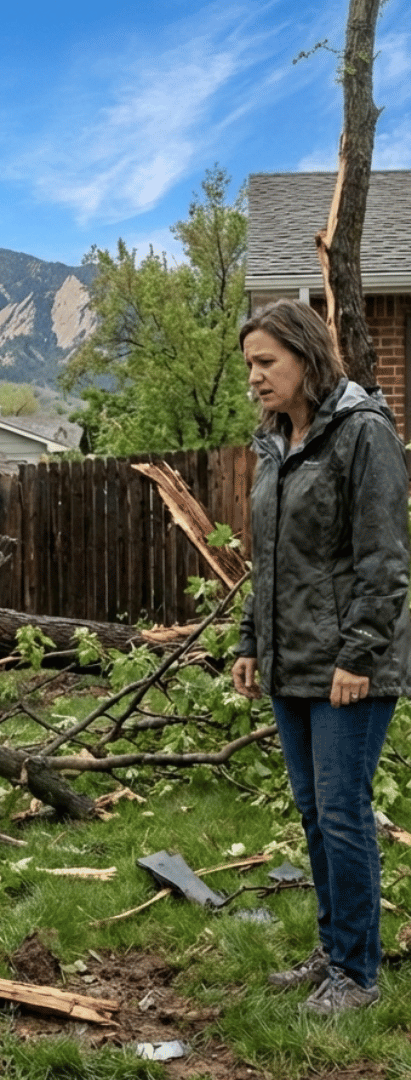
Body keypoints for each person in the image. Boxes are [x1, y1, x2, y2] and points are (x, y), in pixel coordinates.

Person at [231, 298, 411, 1016]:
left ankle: (358, 978)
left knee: (343, 814)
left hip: (348, 669)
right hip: (291, 662)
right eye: (249, 365)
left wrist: (359, 655)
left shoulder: (362, 434)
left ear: (306, 356)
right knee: (313, 815)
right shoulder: (275, 443)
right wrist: (250, 643)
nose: (254, 378)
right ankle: (335, 950)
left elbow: (384, 559)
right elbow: (269, 563)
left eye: (266, 363)